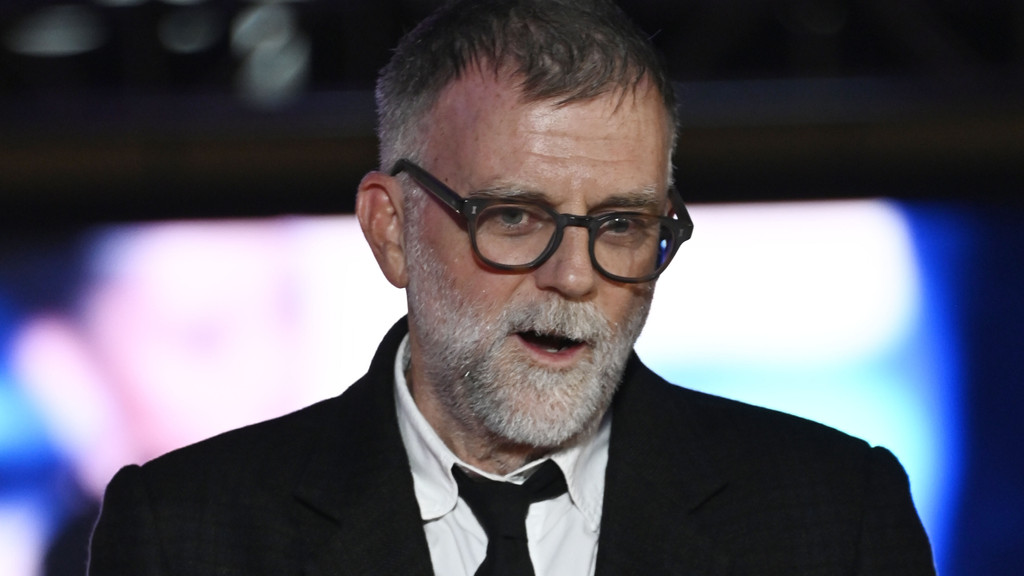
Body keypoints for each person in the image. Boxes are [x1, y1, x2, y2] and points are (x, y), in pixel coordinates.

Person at [88, 0, 936, 574]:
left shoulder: (834, 519)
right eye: (517, 218)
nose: (573, 276)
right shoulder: (188, 534)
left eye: (621, 224)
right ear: (391, 229)